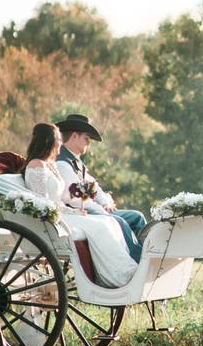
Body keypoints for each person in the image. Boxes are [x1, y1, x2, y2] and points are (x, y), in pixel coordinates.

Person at [21, 123, 138, 288]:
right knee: (101, 227)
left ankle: (127, 267)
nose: (61, 143)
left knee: (109, 222)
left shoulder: (50, 165)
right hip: (53, 218)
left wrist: (77, 210)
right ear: (48, 141)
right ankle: (119, 275)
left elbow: (62, 197)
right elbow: (44, 203)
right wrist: (72, 212)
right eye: (58, 140)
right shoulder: (37, 165)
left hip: (63, 212)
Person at [54, 114, 146, 262]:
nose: (88, 143)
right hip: (78, 214)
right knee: (119, 221)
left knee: (136, 217)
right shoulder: (63, 164)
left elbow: (93, 185)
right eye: (86, 138)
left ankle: (146, 253)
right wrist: (102, 210)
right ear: (74, 136)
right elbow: (76, 201)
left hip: (92, 210)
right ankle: (138, 260)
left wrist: (105, 202)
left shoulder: (75, 162)